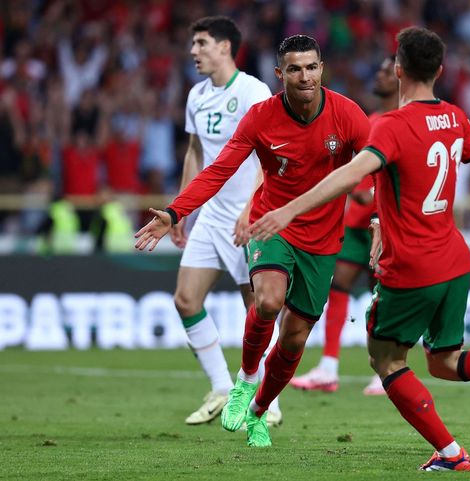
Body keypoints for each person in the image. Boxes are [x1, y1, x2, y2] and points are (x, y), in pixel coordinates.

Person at [249, 27, 470, 471]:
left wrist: (288, 209)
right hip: (454, 260)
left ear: (399, 70)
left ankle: (451, 453)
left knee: (385, 359)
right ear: (440, 70)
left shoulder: (390, 126)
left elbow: (351, 176)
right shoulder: (456, 117)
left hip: (412, 266)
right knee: (445, 361)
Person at [134, 35, 371, 447]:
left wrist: (382, 219)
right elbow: (218, 169)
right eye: (294, 69)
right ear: (280, 75)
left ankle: (260, 409)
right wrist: (175, 212)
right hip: (271, 225)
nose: (304, 76)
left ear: (322, 69)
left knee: (295, 337)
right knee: (267, 301)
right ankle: (244, 380)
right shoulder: (261, 117)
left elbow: (381, 168)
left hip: (322, 239)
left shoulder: (348, 115)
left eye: (311, 67)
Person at [166, 16, 282, 426]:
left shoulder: (254, 91)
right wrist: (182, 210)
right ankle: (221, 386)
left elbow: (269, 156)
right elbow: (194, 153)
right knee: (185, 300)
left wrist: (251, 208)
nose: (193, 51)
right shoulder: (196, 95)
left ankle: (268, 403)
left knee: (257, 309)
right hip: (212, 215)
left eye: (200, 43)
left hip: (249, 214)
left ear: (224, 47)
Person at [290, 56, 399, 396]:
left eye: (385, 71)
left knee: (383, 292)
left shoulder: (402, 121)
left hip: (389, 222)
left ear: (401, 77)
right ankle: (328, 367)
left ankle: (388, 368)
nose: (378, 75)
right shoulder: (370, 119)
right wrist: (360, 192)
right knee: (338, 285)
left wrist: (373, 196)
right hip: (357, 222)